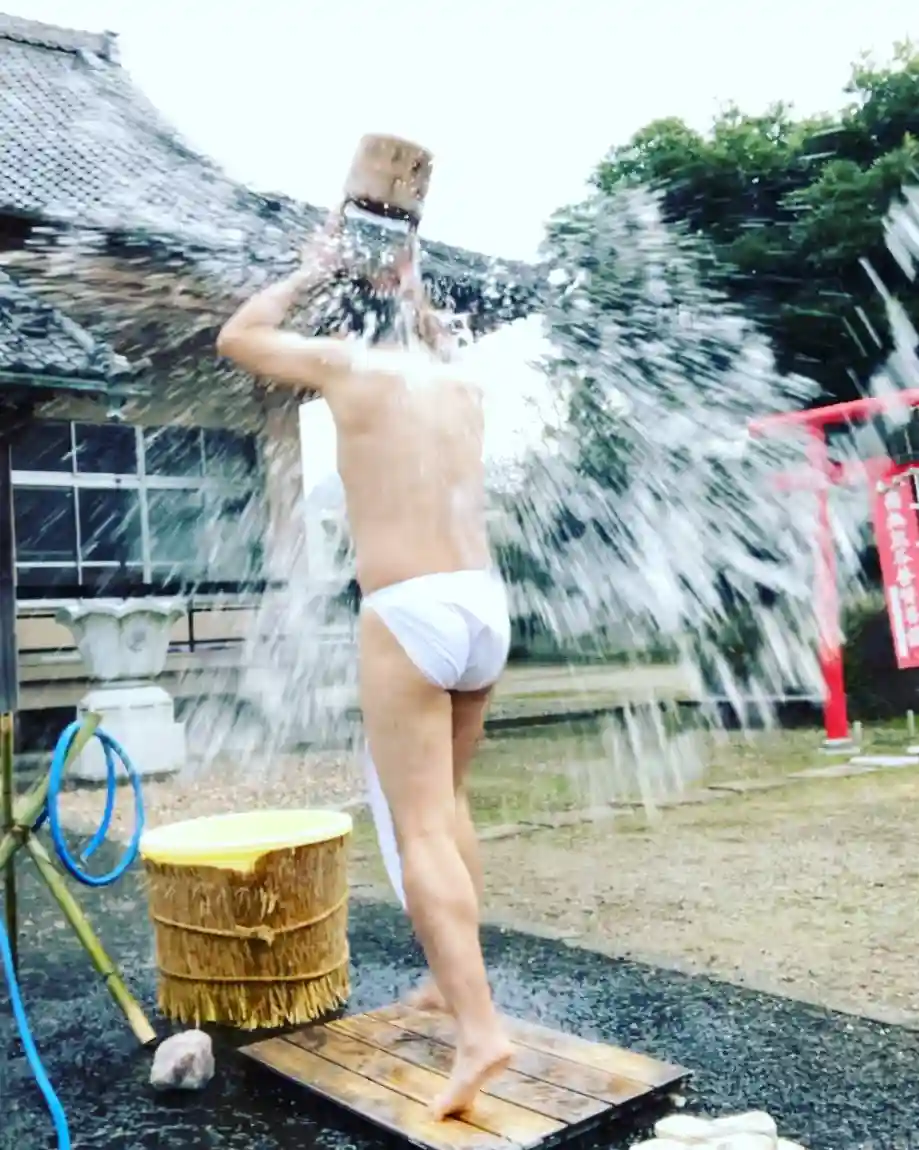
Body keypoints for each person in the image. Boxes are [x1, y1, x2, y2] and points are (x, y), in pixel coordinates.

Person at [216, 213, 513, 1119]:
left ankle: (479, 1031)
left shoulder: (346, 366)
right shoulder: (460, 384)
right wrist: (409, 284)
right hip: (482, 606)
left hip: (409, 610)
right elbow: (430, 334)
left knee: (416, 829)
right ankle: (448, 985)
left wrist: (312, 273)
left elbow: (238, 337)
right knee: (447, 805)